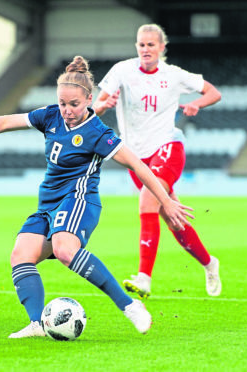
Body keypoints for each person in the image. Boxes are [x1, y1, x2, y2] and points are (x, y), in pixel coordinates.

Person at [0, 56, 194, 338]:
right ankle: (37, 324)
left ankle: (129, 306)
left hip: (79, 199)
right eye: (62, 103)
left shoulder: (97, 133)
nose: (66, 110)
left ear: (89, 99)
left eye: (73, 104)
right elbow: (5, 122)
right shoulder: (50, 116)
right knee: (20, 255)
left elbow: (138, 165)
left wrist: (167, 200)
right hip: (48, 204)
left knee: (64, 249)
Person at [92, 24, 222, 299]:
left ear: (162, 48)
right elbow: (96, 104)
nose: (145, 49)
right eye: (141, 45)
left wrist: (198, 104)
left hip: (167, 146)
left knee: (147, 201)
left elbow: (213, 92)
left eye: (151, 45)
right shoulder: (122, 71)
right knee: (173, 219)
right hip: (135, 157)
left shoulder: (173, 75)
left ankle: (144, 278)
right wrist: (104, 104)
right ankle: (210, 264)